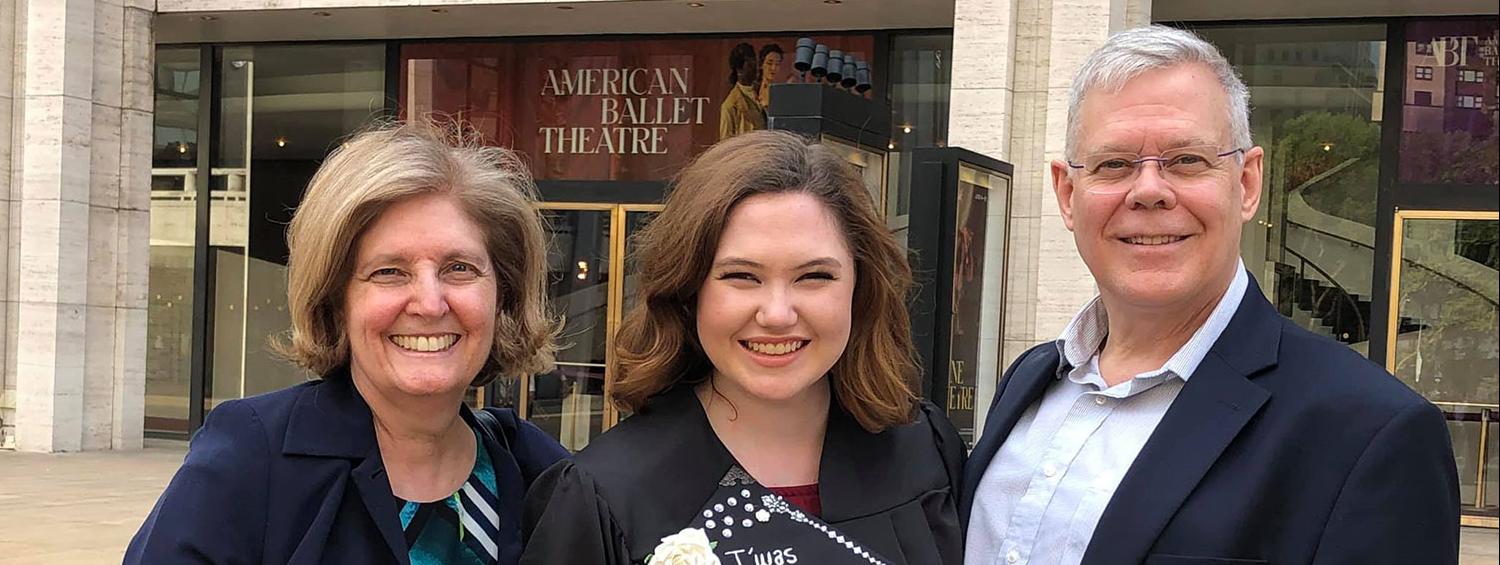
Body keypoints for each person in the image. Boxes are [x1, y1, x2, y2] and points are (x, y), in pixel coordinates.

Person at [961, 25, 1461, 565]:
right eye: (1113, 165)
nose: (1149, 190)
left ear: (1247, 183)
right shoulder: (1028, 381)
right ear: (1067, 193)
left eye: (1186, 160)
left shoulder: (1370, 433)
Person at [126, 120, 569, 565]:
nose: (430, 304)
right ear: (336, 300)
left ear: (502, 294)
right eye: (389, 272)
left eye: (459, 268)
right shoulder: (252, 458)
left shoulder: (536, 470)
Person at [521, 130, 965, 565]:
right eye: (741, 276)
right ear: (689, 288)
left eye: (814, 276)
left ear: (860, 288)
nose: (776, 314)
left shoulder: (924, 451)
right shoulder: (607, 494)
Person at [719, 42, 766, 140]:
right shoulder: (731, 105)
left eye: (755, 63)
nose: (756, 69)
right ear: (739, 69)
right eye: (750, 65)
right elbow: (725, 144)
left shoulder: (763, 91)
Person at [756, 43, 785, 109]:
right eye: (769, 63)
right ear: (761, 64)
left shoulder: (781, 92)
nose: (773, 68)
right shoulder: (753, 89)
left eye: (777, 64)